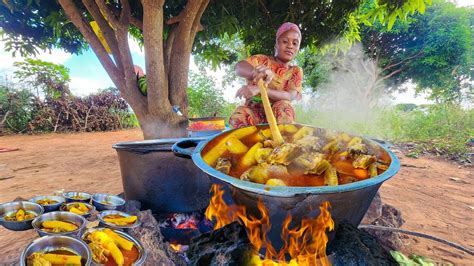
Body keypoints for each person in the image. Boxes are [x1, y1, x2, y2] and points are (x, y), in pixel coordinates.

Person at [229, 22, 303, 129]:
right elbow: (239, 67)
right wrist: (255, 72)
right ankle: (249, 144)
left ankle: (284, 144)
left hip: (278, 116)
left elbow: (289, 96)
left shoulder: (295, 71)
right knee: (240, 115)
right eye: (285, 41)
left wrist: (260, 89)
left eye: (295, 43)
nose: (290, 46)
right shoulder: (262, 60)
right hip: (254, 114)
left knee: (284, 107)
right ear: (276, 44)